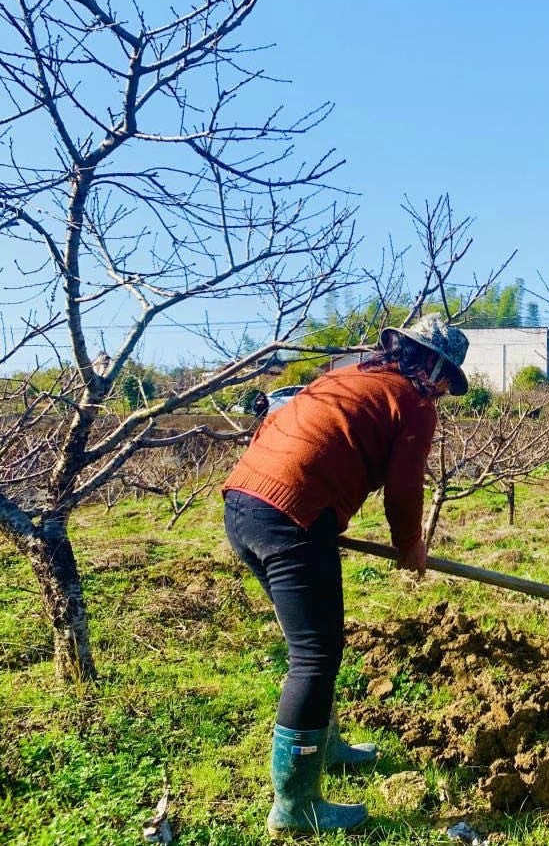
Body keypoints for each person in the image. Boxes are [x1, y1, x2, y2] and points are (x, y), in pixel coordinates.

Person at [222, 314, 469, 837]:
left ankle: (325, 745)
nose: (445, 391)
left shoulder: (345, 375)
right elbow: (404, 491)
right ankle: (296, 805)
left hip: (244, 500)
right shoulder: (414, 402)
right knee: (314, 654)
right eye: (448, 378)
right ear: (432, 364)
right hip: (291, 517)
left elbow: (278, 424)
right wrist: (411, 549)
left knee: (317, 642)